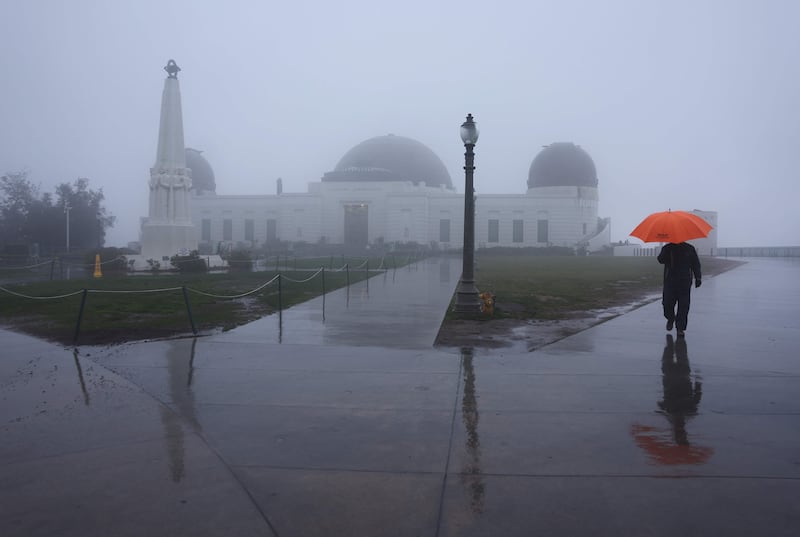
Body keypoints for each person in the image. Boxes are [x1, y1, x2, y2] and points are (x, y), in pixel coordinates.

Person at [657, 241, 701, 337]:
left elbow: (696, 264)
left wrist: (698, 278)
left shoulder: (689, 248)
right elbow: (660, 260)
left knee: (684, 306)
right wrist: (667, 252)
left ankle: (680, 328)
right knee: (667, 303)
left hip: (684, 282)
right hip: (670, 281)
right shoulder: (668, 248)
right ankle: (670, 318)